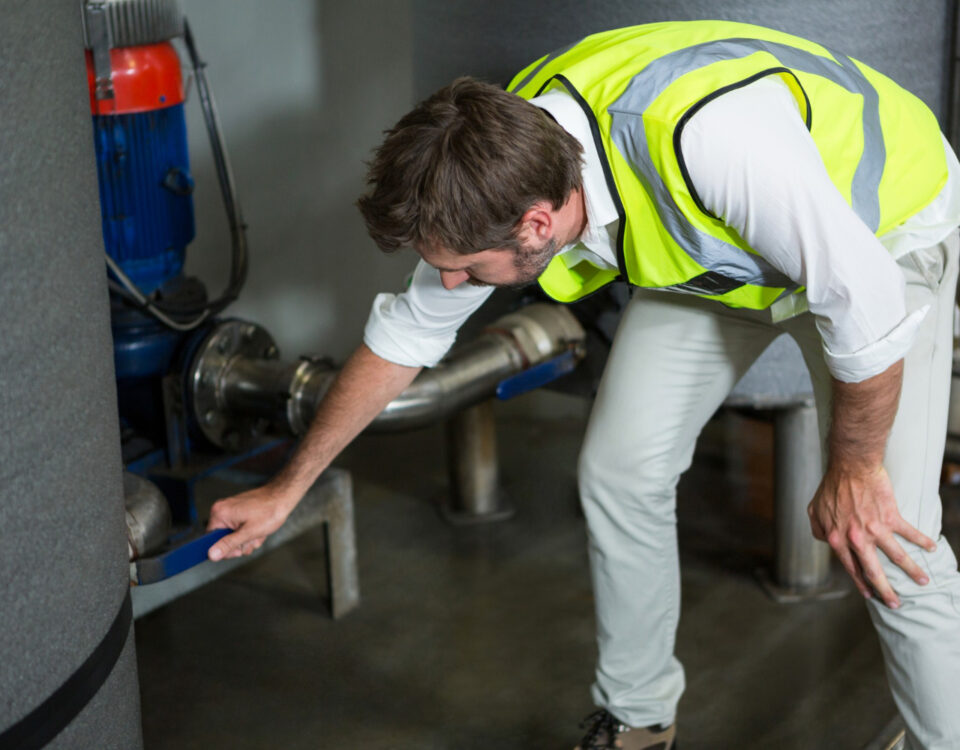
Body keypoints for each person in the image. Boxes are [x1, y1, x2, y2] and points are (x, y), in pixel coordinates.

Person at [206, 20, 960, 750]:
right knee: (620, 469)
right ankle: (639, 718)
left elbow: (865, 308)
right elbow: (403, 338)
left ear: (538, 225)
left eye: (465, 269)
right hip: (732, 259)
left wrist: (856, 469)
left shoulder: (712, 144)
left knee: (890, 536)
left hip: (884, 235)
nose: (449, 281)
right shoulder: (501, 166)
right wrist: (289, 486)